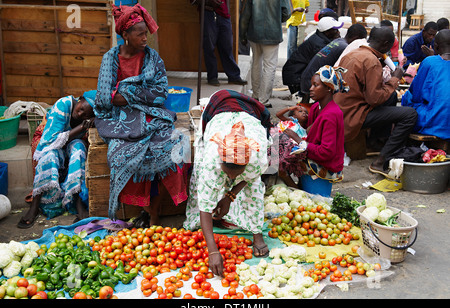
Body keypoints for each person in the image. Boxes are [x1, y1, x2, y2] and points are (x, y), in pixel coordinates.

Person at [94, 4, 190, 224]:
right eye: (140, 34)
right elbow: (103, 98)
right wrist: (136, 95)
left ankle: (154, 212)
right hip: (120, 120)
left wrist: (125, 91)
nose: (145, 38)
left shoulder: (153, 58)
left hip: (154, 116)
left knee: (173, 150)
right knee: (119, 156)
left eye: (146, 33)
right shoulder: (110, 59)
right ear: (125, 35)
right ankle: (141, 210)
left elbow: (160, 93)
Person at [183, 89, 272, 276]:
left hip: (249, 115)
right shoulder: (211, 160)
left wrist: (230, 196)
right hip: (219, 111)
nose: (231, 180)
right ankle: (199, 224)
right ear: (220, 162)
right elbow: (205, 207)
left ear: (248, 163)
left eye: (236, 174)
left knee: (255, 189)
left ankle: (257, 234)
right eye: (227, 174)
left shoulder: (257, 155)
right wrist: (213, 250)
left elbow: (250, 178)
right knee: (203, 185)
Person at [334, 27, 418, 177]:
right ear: (385, 44)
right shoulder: (371, 61)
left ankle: (376, 142)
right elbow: (375, 98)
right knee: (410, 114)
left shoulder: (354, 53)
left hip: (340, 110)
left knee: (391, 97)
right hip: (352, 115)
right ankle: (380, 161)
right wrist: (394, 79)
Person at [17, 91, 96, 228]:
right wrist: (82, 126)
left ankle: (76, 202)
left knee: (79, 149)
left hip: (71, 141)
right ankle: (35, 205)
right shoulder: (63, 104)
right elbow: (51, 141)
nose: (81, 114)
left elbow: (77, 138)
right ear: (80, 99)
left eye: (86, 115)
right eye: (81, 109)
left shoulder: (90, 117)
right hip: (47, 142)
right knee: (51, 155)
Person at [280, 65, 347, 189]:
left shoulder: (331, 115)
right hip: (312, 156)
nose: (310, 89)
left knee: (281, 165)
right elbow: (309, 133)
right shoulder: (316, 107)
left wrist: (299, 140)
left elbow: (327, 152)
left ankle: (300, 187)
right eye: (311, 85)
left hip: (325, 165)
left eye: (315, 85)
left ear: (328, 88)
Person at [240, 0, 291, 108]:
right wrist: (276, 20)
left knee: (256, 62)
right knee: (269, 66)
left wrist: (242, 35)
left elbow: (245, 15)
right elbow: (287, 13)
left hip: (255, 33)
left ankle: (255, 95)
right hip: (273, 34)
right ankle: (263, 100)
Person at [401, 29, 450, 140]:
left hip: (436, 123)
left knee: (407, 100)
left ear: (436, 47)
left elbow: (416, 95)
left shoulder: (430, 61)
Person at [282, 16, 343, 97]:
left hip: (297, 72)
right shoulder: (319, 44)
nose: (338, 32)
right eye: (335, 30)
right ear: (327, 32)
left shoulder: (320, 37)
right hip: (296, 76)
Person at [300, 23, 367, 96]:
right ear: (356, 38)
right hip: (313, 84)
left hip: (306, 80)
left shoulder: (339, 41)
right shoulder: (345, 48)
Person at [192, 0, 247, 86]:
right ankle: (212, 76)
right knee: (209, 47)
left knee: (227, 46)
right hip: (208, 12)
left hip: (223, 13)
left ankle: (233, 76)